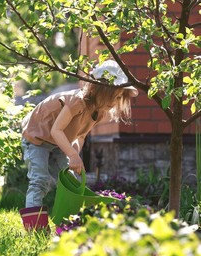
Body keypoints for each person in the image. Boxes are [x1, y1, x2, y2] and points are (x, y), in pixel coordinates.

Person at [19, 60, 139, 231]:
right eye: (112, 94)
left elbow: (80, 136)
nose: (115, 100)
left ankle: (70, 224)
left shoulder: (99, 112)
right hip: (37, 137)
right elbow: (56, 130)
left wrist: (74, 155)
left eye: (119, 97)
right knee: (40, 180)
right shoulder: (77, 101)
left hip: (59, 142)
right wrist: (73, 156)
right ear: (99, 89)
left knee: (72, 181)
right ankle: (35, 229)